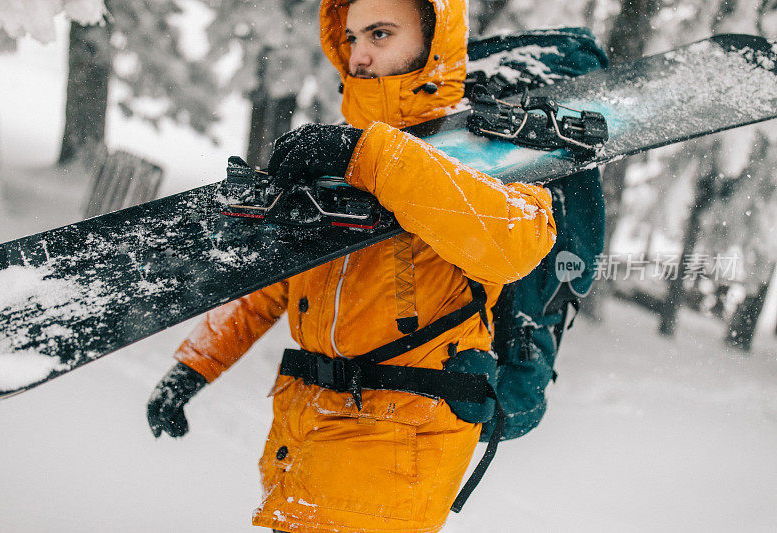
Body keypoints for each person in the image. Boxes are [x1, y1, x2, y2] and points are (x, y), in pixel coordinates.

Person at [146, 0, 556, 531]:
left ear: (434, 40)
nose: (358, 55)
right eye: (351, 37)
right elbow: (274, 283)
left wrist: (366, 154)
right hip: (305, 432)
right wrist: (194, 366)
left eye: (380, 35)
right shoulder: (338, 155)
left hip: (398, 445)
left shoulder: (491, 151)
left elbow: (515, 244)